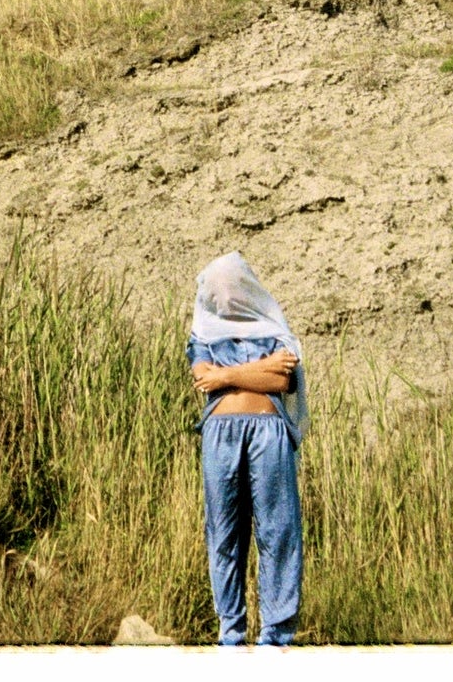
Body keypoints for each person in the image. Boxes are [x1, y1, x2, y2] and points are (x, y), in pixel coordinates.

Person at [186, 251, 307, 648]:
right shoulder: (202, 333)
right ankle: (231, 631)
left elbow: (282, 379)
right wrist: (255, 372)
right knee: (224, 530)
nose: (223, 295)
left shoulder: (274, 329)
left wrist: (226, 375)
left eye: (230, 286)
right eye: (216, 289)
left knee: (278, 528)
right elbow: (203, 378)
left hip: (268, 430)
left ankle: (276, 633)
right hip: (220, 434)